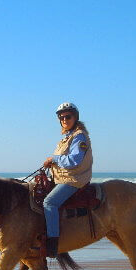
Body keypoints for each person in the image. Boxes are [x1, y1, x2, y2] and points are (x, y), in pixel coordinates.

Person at [42, 102, 93, 258]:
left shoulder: (79, 136)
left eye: (68, 116)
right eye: (61, 117)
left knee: (49, 202)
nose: (64, 119)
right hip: (62, 178)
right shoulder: (66, 137)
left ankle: (53, 242)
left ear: (75, 117)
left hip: (74, 179)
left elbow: (75, 160)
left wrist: (54, 158)